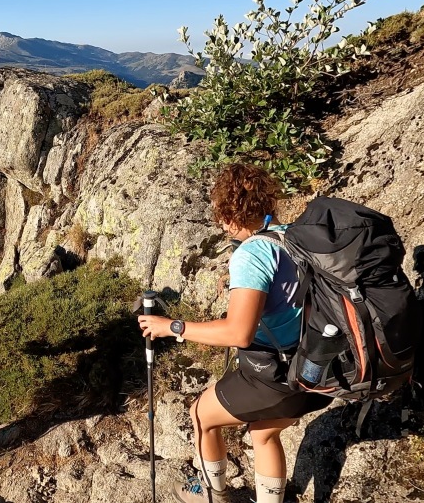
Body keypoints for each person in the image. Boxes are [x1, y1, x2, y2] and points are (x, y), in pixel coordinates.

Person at [137, 163, 331, 503]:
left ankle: (213, 494)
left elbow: (239, 333)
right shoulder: (293, 237)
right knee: (263, 432)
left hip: (277, 374)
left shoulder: (253, 253)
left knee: (201, 413)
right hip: (319, 367)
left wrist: (171, 327)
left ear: (228, 215)